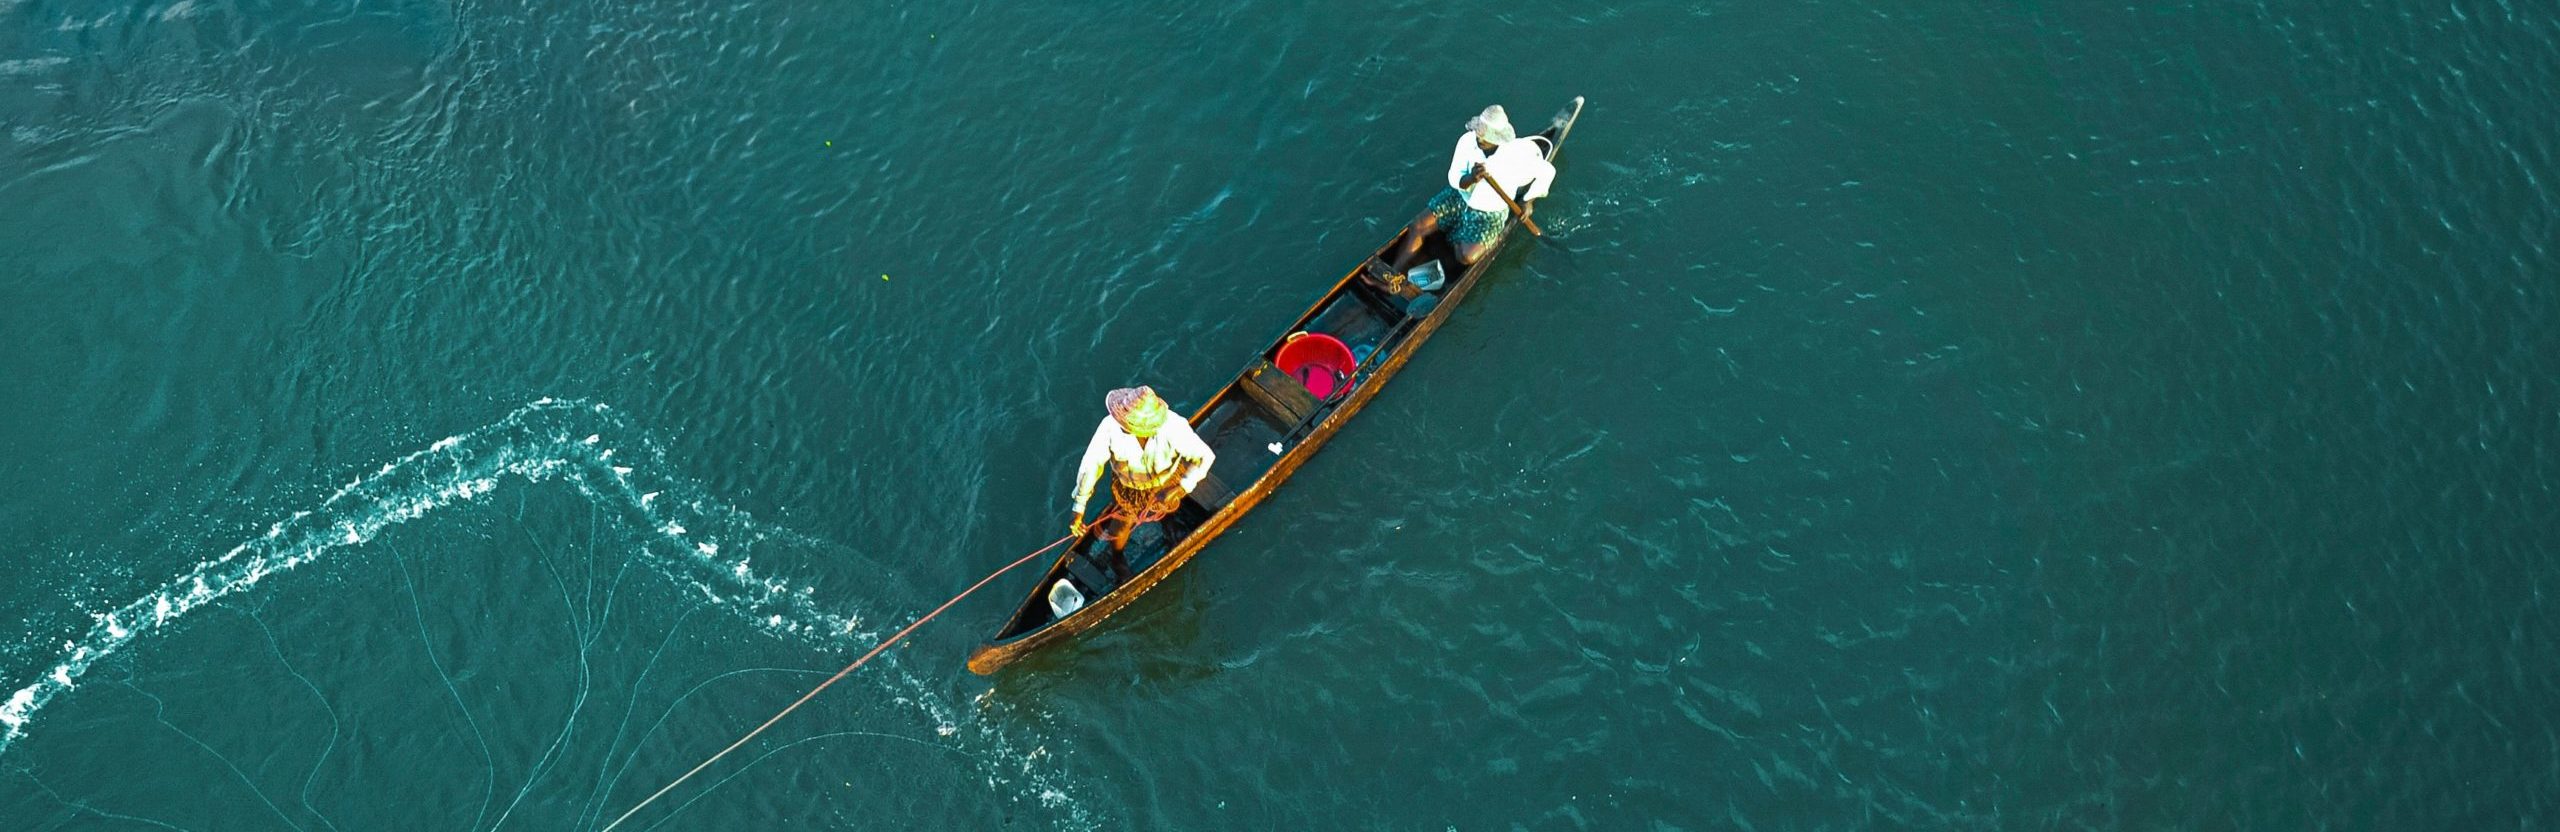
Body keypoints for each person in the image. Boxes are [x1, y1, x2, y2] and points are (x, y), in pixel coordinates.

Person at [1384, 105, 1558, 274]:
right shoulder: (1467, 141)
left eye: (1485, 136)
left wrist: (1528, 201)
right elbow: (1454, 177)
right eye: (1479, 132)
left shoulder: (1516, 153)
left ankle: (1446, 245)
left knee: (1466, 257)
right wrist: (1471, 178)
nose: (1479, 138)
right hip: (1461, 196)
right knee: (1418, 225)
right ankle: (1392, 275)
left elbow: (1547, 172)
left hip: (1489, 213)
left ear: (1498, 138)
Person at [1069, 386, 1215, 576]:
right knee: (1121, 524)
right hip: (1129, 487)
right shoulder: (1109, 428)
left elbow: (1205, 457)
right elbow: (1091, 466)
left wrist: (1179, 488)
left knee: (1169, 506)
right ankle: (1117, 558)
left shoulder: (1174, 427)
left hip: (1167, 480)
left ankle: (1168, 523)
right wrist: (1079, 507)